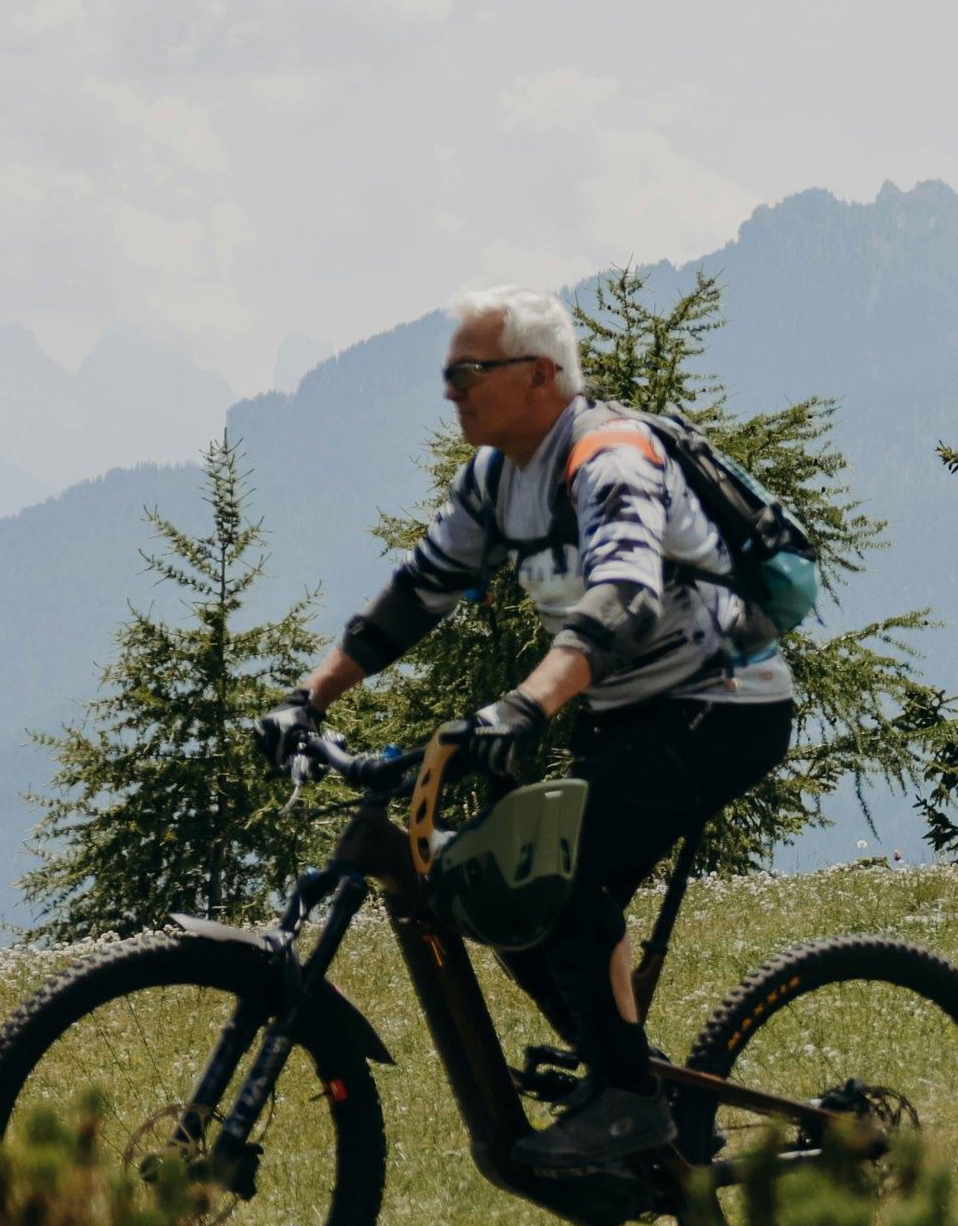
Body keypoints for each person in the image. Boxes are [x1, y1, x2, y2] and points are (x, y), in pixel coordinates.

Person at [277, 289, 798, 1179]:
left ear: (540, 375)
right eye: (448, 374)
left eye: (469, 372)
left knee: (559, 872)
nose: (451, 391)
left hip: (722, 706)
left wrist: (525, 704)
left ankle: (626, 1100)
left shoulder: (609, 455)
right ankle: (639, 1102)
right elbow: (417, 592)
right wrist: (308, 697)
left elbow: (626, 596)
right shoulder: (496, 479)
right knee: (506, 888)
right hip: (633, 712)